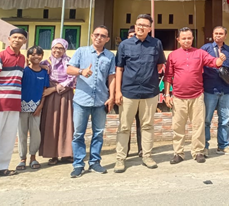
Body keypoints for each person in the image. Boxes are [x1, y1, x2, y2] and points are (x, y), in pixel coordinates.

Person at [164, 27, 225, 164]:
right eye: (183, 38)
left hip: (197, 96)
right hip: (178, 97)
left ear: (193, 39)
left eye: (189, 38)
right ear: (178, 39)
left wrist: (220, 60)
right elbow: (168, 76)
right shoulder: (173, 55)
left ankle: (198, 151)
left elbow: (213, 62)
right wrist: (167, 95)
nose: (186, 40)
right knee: (178, 126)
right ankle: (178, 153)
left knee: (198, 125)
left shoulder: (200, 53)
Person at [114, 14, 166, 173]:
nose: (140, 27)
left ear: (150, 28)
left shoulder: (156, 44)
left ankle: (147, 155)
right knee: (124, 127)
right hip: (129, 92)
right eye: (138, 24)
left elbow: (159, 66)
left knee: (148, 125)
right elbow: (119, 68)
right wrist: (117, 91)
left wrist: (148, 78)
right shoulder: (125, 44)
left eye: (144, 25)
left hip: (150, 92)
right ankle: (120, 159)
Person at [67, 26, 116, 178]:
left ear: (107, 39)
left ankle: (95, 162)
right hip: (81, 99)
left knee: (99, 133)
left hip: (101, 100)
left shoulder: (110, 56)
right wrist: (81, 71)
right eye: (96, 35)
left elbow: (112, 77)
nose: (99, 38)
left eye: (103, 36)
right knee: (78, 134)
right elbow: (69, 69)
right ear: (91, 36)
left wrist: (112, 96)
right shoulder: (81, 51)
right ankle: (78, 164)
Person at [0, 28, 27, 180]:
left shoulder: (22, 59)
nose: (17, 40)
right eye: (14, 37)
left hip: (14, 104)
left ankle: (1, 167)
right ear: (9, 39)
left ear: (24, 41)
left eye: (20, 38)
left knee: (8, 137)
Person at [39, 38, 76, 165]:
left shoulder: (69, 62)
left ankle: (66, 154)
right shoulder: (45, 62)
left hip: (65, 95)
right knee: (51, 124)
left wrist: (54, 89)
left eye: (60, 48)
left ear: (65, 49)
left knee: (66, 124)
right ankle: (52, 154)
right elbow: (33, 67)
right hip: (49, 97)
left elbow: (72, 79)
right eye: (55, 47)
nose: (57, 50)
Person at [201, 26, 229, 156]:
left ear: (225, 35)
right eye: (216, 33)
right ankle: (204, 146)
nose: (218, 36)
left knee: (225, 120)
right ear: (212, 34)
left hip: (226, 89)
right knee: (206, 120)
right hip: (210, 89)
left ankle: (223, 146)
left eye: (221, 33)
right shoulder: (205, 49)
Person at [17, 46, 50, 172]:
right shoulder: (24, 71)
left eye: (39, 54)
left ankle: (33, 157)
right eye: (33, 54)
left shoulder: (44, 73)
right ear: (28, 57)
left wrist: (41, 105)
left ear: (42, 56)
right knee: (22, 133)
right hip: (21, 106)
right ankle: (22, 159)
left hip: (37, 107)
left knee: (36, 132)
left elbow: (44, 90)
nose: (36, 57)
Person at [125, 26, 142, 158]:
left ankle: (142, 149)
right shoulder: (123, 50)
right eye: (131, 36)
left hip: (143, 93)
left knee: (142, 124)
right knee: (126, 124)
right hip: (127, 92)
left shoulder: (144, 51)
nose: (133, 38)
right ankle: (125, 150)